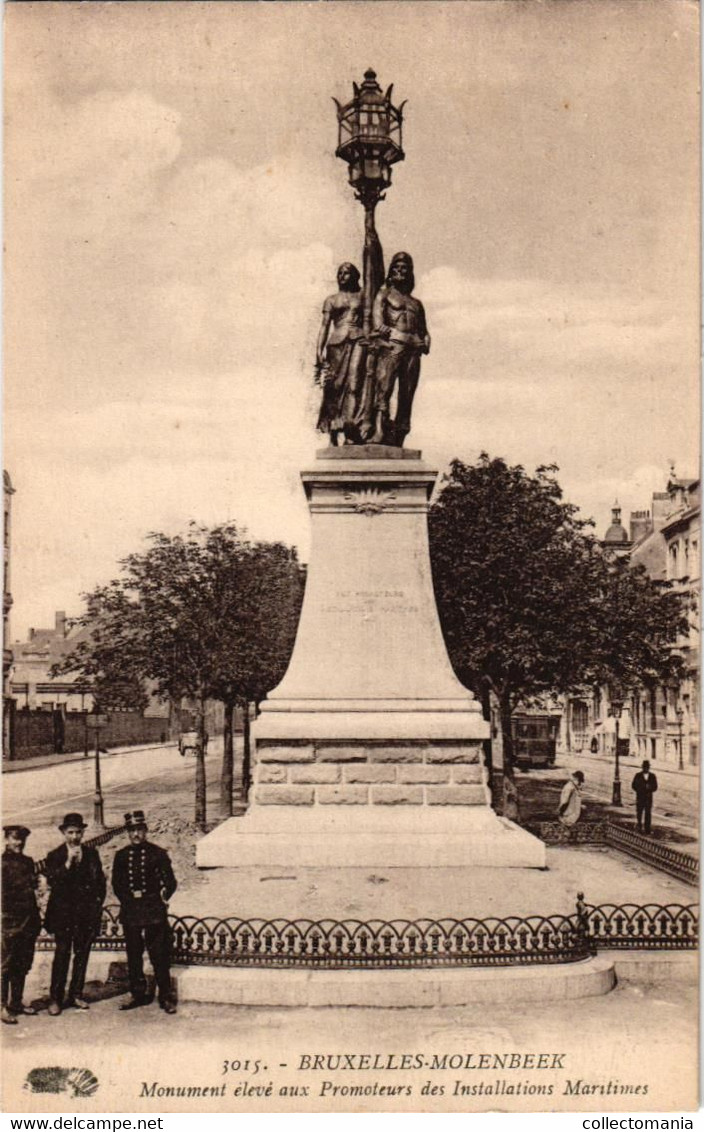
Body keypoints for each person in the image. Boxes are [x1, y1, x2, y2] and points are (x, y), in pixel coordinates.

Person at [112, 810, 177, 1014]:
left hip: (153, 910)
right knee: (133, 954)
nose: (136, 834)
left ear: (146, 830)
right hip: (131, 910)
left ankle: (165, 997)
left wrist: (163, 897)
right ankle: (137, 994)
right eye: (132, 830)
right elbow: (117, 884)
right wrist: (128, 901)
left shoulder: (158, 853)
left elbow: (170, 882)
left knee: (159, 954)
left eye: (139, 829)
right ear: (128, 833)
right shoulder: (121, 856)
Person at [44, 813, 106, 1015]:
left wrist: (96, 907)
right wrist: (68, 864)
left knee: (82, 955)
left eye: (78, 832)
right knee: (61, 956)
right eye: (70, 832)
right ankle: (55, 998)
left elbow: (100, 884)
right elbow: (53, 881)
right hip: (63, 916)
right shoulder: (54, 856)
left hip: (85, 916)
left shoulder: (91, 854)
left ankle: (76, 994)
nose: (74, 836)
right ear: (63, 833)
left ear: (83, 832)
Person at [371, 251, 430, 447]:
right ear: (391, 270)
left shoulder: (416, 304)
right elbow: (377, 321)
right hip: (392, 347)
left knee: (407, 394)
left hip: (413, 351)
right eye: (397, 267)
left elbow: (424, 331)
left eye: (405, 268)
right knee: (384, 389)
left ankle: (400, 436)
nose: (401, 271)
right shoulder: (384, 294)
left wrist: (426, 341)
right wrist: (384, 329)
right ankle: (379, 430)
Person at [315, 263, 371, 445]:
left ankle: (350, 430)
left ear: (355, 276)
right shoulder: (331, 300)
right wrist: (319, 350)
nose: (342, 276)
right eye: (340, 273)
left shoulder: (363, 297)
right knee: (334, 387)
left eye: (346, 273)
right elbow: (324, 326)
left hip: (357, 340)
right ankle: (332, 433)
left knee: (354, 385)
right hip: (335, 344)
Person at [1, 824, 40, 1025]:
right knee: (5, 966)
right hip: (9, 923)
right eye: (14, 838)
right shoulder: (2, 864)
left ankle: (16, 1002)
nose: (19, 843)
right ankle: (2, 1007)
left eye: (21, 839)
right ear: (7, 839)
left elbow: (32, 887)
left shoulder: (28, 862)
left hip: (28, 922)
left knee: (22, 965)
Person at [631, 760, 658, 834]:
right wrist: (640, 789)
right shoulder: (638, 775)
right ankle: (639, 826)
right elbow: (633, 785)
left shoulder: (652, 776)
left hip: (648, 798)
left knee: (648, 814)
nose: (646, 768)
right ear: (642, 767)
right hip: (640, 797)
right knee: (639, 813)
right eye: (644, 767)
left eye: (647, 767)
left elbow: (655, 787)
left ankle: (647, 829)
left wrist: (650, 788)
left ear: (649, 768)